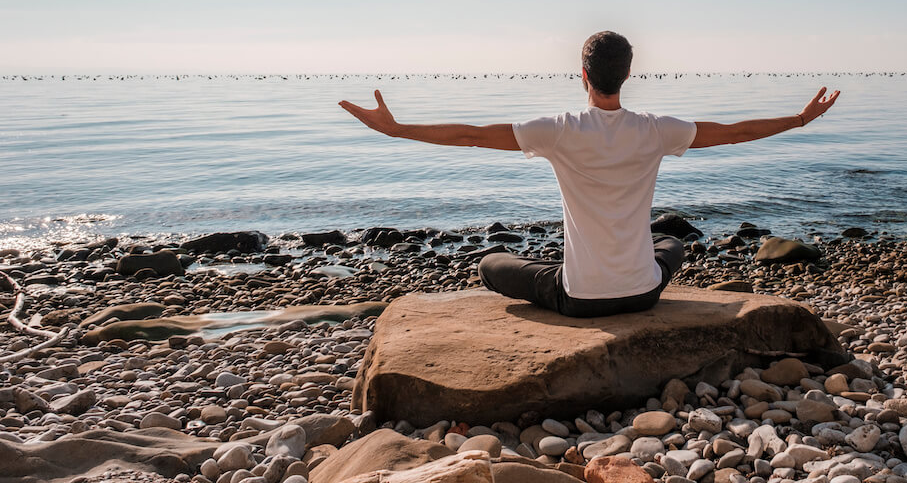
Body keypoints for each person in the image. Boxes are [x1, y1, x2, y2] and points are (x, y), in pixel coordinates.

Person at [339, 31, 840, 319]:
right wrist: (798, 120)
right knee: (673, 244)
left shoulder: (557, 131)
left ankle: (561, 268)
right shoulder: (656, 130)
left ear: (582, 74)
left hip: (579, 299)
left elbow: (471, 135)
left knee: (492, 262)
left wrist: (398, 130)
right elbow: (731, 132)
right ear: (627, 74)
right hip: (642, 293)